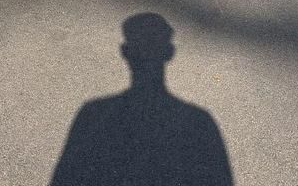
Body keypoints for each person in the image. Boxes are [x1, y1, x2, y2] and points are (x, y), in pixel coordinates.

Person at [50, 13, 234, 185]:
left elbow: (63, 178)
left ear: (125, 52)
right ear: (169, 52)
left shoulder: (92, 113)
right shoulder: (199, 121)